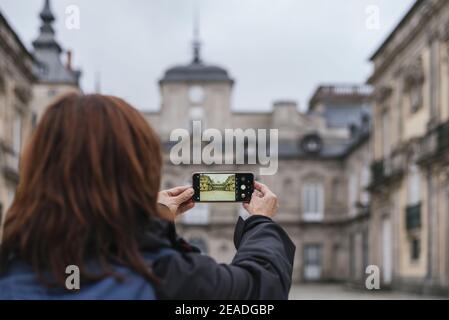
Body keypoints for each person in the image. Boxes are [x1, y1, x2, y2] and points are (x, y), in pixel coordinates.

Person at [0, 93, 295, 300]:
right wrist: (259, 222)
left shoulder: (10, 268)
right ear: (139, 173)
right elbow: (260, 290)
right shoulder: (165, 278)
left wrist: (153, 223)